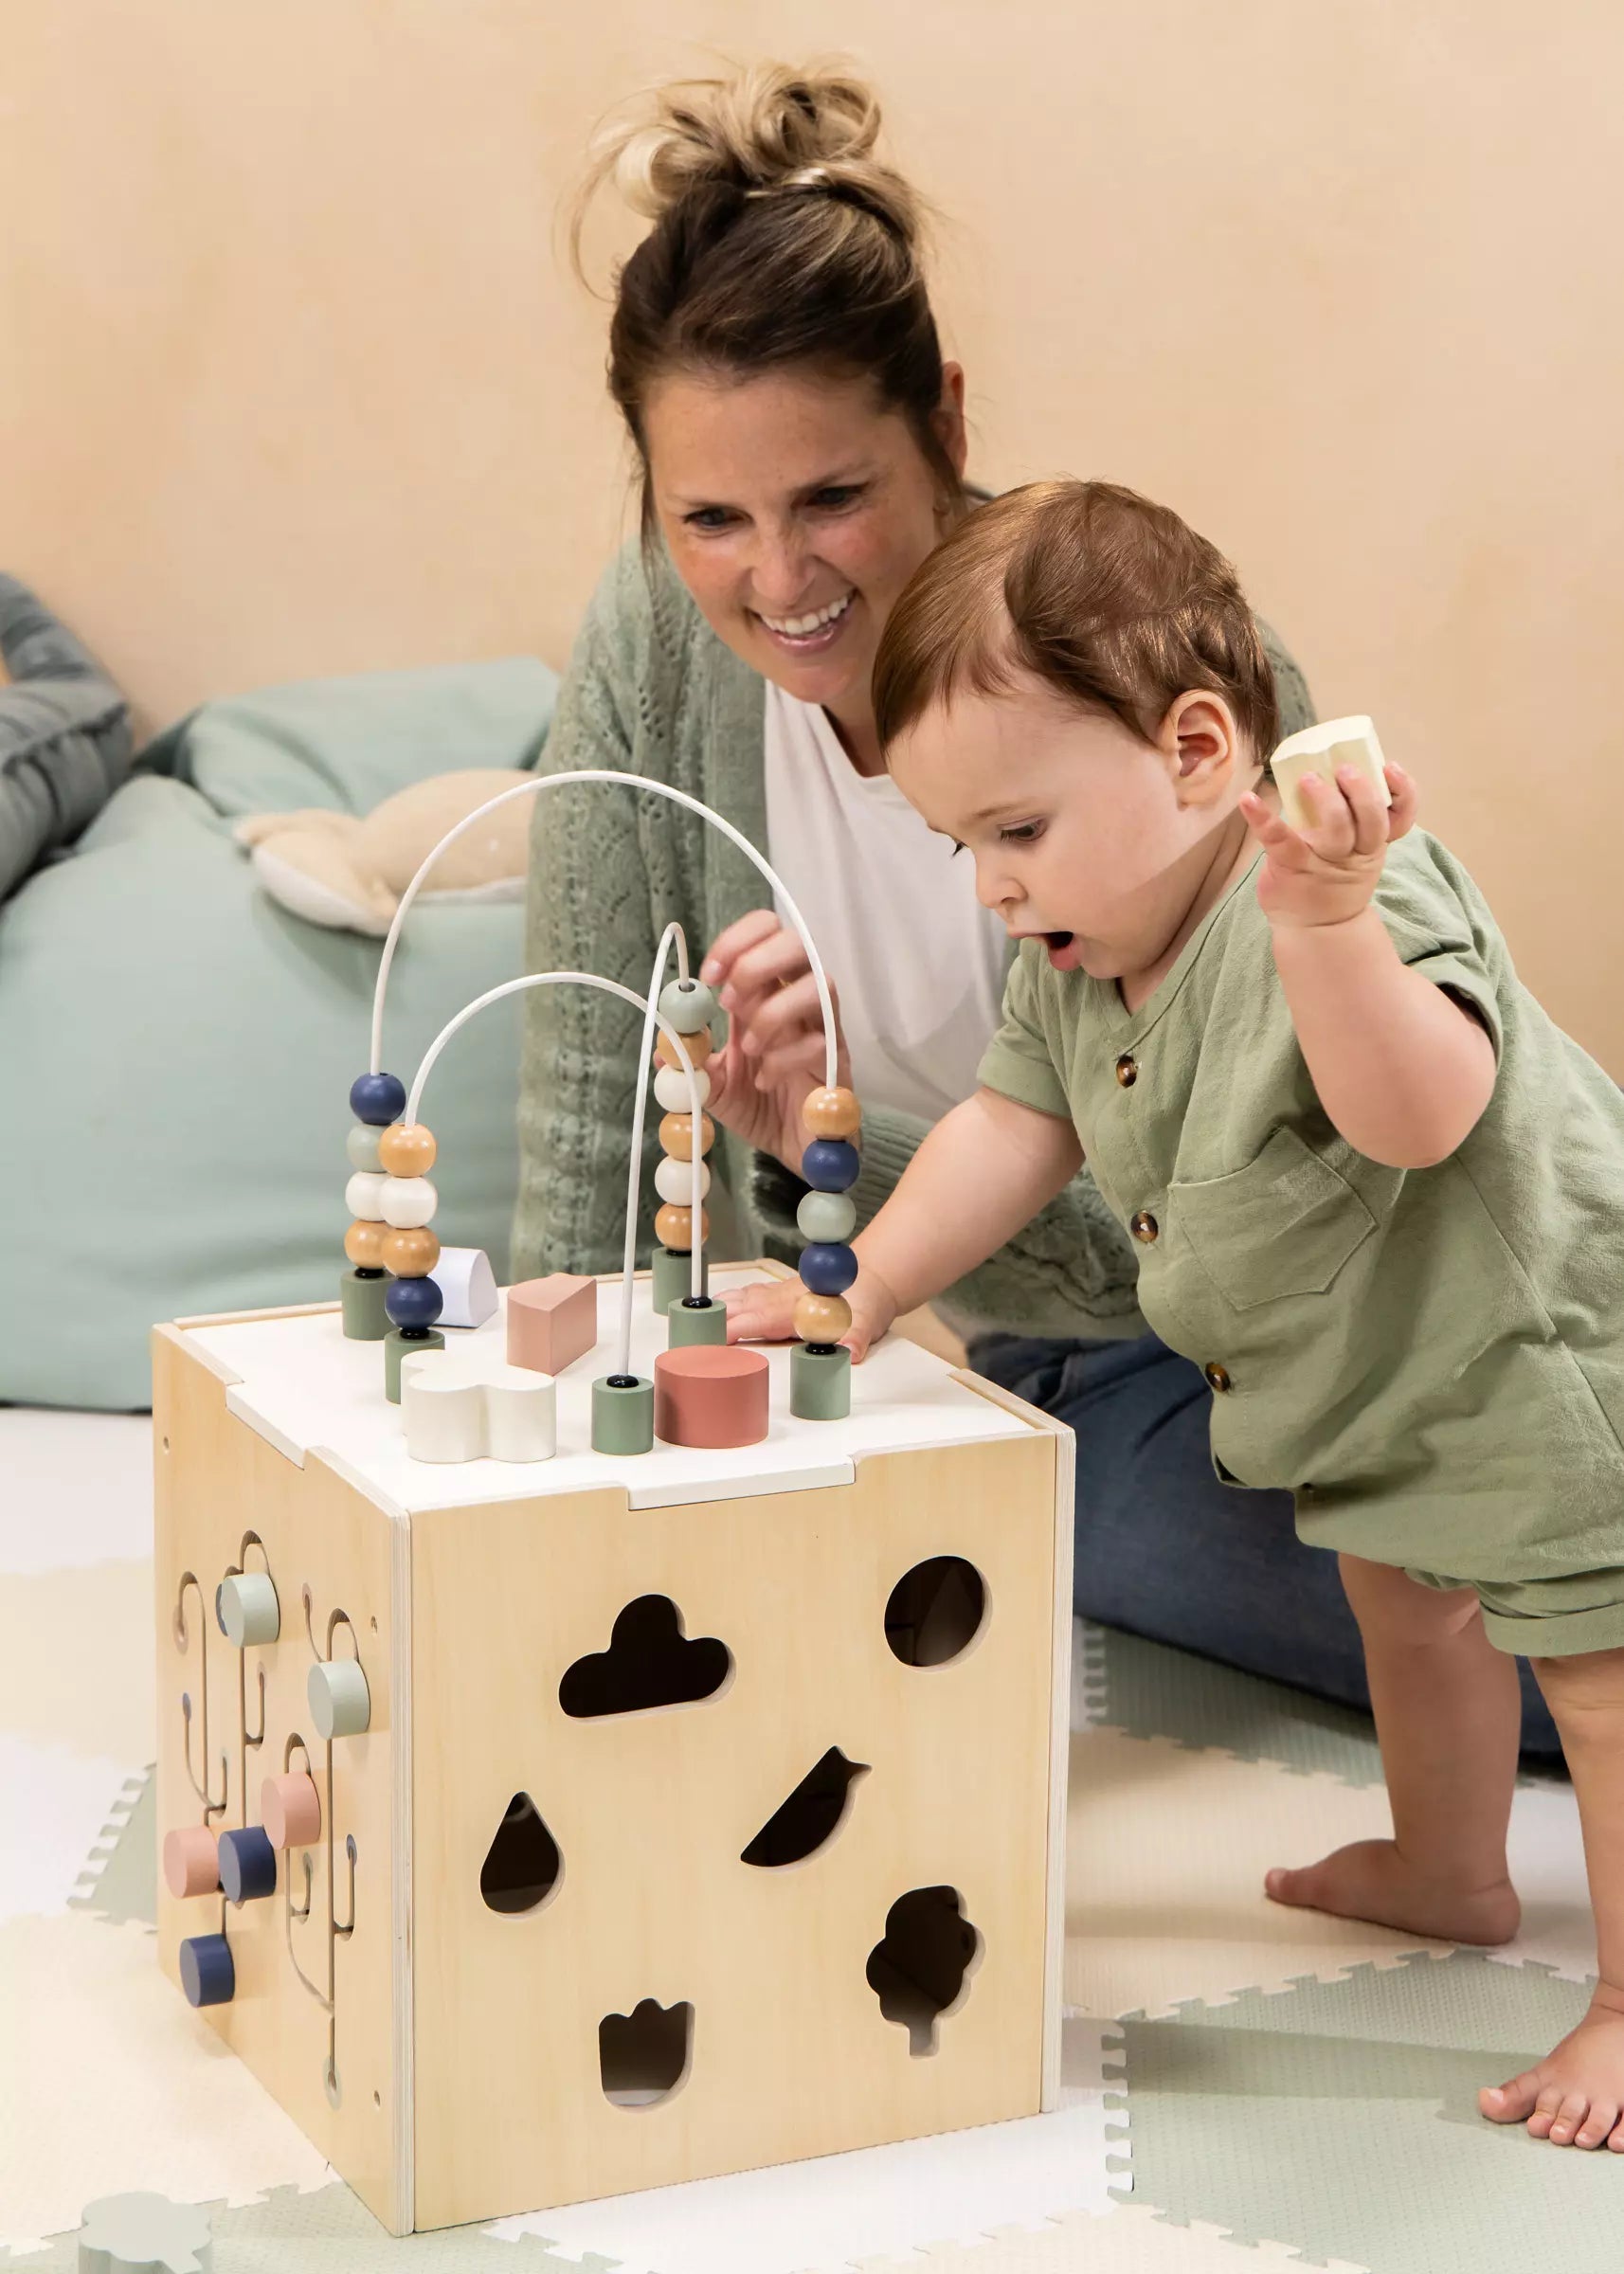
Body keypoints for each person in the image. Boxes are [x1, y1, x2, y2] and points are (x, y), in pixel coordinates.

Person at [514, 60, 1558, 1755]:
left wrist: (836, 1160)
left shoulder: (1136, 660)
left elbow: (1270, 1207)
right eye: (709, 517)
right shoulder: (648, 650)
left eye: (831, 498)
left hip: (1286, 1336)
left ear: (947, 417)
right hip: (1012, 1375)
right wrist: (545, 1458)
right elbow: (583, 1111)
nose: (777, 583)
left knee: (1540, 1579)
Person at [725, 476, 1624, 2148]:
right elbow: (1006, 1129)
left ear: (1199, 755)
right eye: (958, 847)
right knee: (1404, 1619)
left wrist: (1330, 931)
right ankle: (1451, 1870)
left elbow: (1420, 1117)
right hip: (1382, 1397)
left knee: (1593, 1677)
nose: (991, 887)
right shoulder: (1074, 961)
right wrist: (872, 1292)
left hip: (1549, 1360)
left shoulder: (1344, 894)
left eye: (1016, 831)